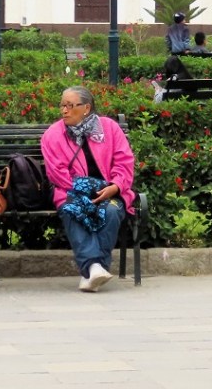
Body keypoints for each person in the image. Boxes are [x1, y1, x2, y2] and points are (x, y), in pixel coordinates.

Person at [41, 85, 136, 292]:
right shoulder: (53, 135)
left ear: (86, 108)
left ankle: (92, 272)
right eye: (62, 105)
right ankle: (95, 267)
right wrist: (84, 191)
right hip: (70, 191)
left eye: (70, 105)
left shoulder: (109, 128)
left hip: (109, 191)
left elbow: (124, 161)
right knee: (73, 210)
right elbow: (56, 173)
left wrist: (115, 186)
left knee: (111, 210)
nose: (64, 110)